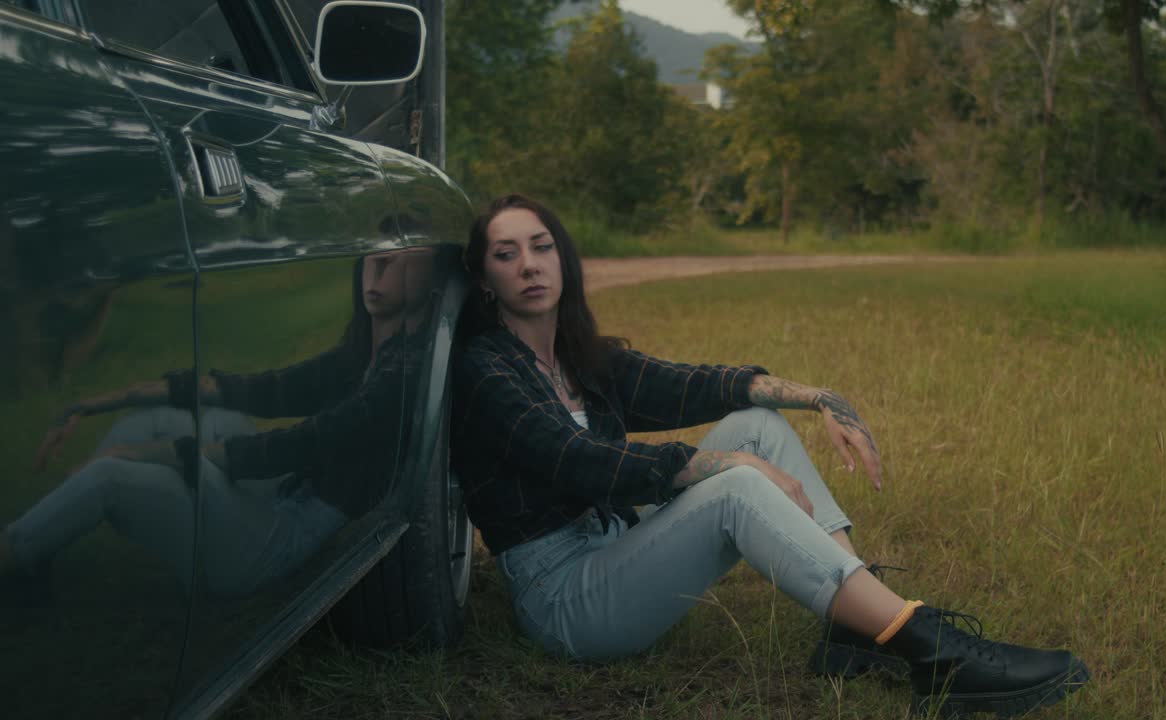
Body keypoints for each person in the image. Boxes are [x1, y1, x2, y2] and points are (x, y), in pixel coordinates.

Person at [450, 194, 1091, 718]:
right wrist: (730, 467)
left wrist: (821, 399)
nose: (529, 265)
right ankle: (929, 650)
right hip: (564, 598)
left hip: (617, 542)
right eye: (507, 255)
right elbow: (578, 459)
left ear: (564, 260)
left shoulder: (577, 355)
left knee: (756, 423)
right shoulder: (487, 371)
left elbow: (694, 383)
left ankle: (858, 627)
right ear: (485, 278)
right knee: (737, 484)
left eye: (542, 247)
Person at [0, 248, 434, 599]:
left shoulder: (403, 376)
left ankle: (16, 552)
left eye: (402, 251)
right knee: (187, 417)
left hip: (272, 542)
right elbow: (257, 389)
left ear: (435, 270)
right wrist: (87, 405)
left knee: (109, 476)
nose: (379, 262)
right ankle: (47, 541)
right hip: (279, 495)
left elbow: (292, 446)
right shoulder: (358, 356)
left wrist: (134, 457)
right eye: (377, 248)